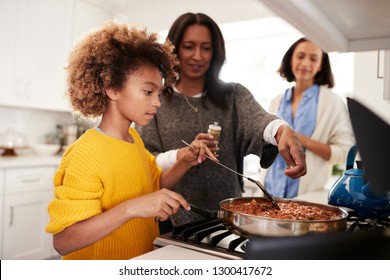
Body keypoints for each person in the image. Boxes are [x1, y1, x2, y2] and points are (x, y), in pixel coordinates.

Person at [45, 21, 218, 260]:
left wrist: (186, 160)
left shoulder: (132, 138)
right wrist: (132, 207)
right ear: (112, 89)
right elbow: (64, 240)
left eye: (159, 93)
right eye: (148, 92)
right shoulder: (85, 154)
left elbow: (155, 183)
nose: (157, 102)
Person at [136, 13, 306, 232]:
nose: (197, 56)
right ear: (174, 49)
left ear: (216, 52)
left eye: (206, 48)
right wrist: (181, 155)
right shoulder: (156, 98)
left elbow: (259, 121)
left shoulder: (233, 95)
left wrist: (282, 130)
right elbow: (146, 161)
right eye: (189, 46)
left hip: (228, 223)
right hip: (170, 222)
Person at [260, 37, 355, 198]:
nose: (305, 63)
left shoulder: (332, 102)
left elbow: (344, 152)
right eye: (300, 56)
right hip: (268, 193)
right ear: (291, 60)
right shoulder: (277, 101)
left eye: (313, 59)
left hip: (305, 197)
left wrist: (302, 140)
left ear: (320, 66)